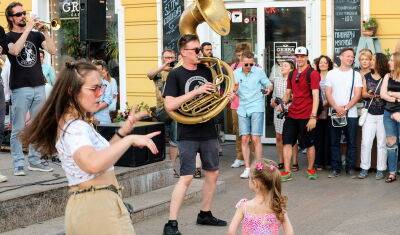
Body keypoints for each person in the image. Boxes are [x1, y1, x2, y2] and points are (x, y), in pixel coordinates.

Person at [21, 61, 160, 234]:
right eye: (94, 89)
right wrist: (129, 139)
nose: (100, 94)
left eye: (101, 87)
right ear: (71, 91)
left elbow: (101, 157)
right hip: (97, 208)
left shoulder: (76, 123)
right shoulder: (75, 127)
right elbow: (92, 164)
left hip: (97, 204)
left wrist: (123, 132)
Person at [162, 34, 234, 235]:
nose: (199, 53)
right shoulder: (175, 75)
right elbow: (169, 105)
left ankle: (205, 213)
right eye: (195, 50)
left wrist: (225, 97)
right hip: (188, 132)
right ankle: (171, 223)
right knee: (186, 177)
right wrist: (196, 92)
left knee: (213, 173)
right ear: (183, 52)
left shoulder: (206, 70)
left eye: (199, 49)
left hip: (208, 129)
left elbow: (214, 96)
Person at [6, 2, 56, 176]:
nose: (22, 16)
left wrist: (46, 32)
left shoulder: (36, 35)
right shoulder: (7, 36)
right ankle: (19, 162)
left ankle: (34, 160)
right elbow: (15, 51)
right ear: (11, 18)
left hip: (38, 85)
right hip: (20, 87)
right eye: (18, 14)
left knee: (38, 126)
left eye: (23, 13)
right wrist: (28, 28)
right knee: (18, 128)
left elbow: (53, 50)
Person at [280, 46, 320, 182]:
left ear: (307, 57)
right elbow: (288, 93)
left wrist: (313, 117)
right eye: (297, 56)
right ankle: (286, 171)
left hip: (307, 115)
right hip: (292, 114)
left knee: (309, 144)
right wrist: (281, 102)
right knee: (287, 142)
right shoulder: (292, 73)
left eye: (302, 56)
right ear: (295, 58)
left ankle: (310, 169)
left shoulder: (312, 74)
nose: (300, 58)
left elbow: (316, 96)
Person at [227, 159, 294, 235]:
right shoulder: (278, 207)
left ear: (255, 183)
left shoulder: (244, 206)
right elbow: (290, 232)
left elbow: (231, 231)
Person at [325, 48, 362, 178]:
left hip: (350, 114)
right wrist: (336, 107)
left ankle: (350, 168)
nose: (351, 59)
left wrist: (345, 108)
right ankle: (336, 168)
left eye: (352, 57)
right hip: (335, 113)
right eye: (348, 56)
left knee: (352, 142)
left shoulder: (356, 75)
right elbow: (328, 92)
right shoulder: (331, 74)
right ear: (340, 57)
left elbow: (357, 95)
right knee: (334, 142)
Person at [235, 51, 272, 179]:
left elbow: (268, 83)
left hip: (256, 106)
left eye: (251, 64)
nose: (249, 66)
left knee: (255, 138)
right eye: (246, 64)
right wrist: (232, 92)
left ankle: (258, 168)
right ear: (241, 62)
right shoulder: (235, 73)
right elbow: (232, 89)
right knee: (244, 138)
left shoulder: (258, 71)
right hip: (243, 107)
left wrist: (268, 88)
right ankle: (247, 168)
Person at [146, 49, 179, 177]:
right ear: (162, 59)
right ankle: (159, 168)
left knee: (174, 140)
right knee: (158, 139)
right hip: (161, 111)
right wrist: (163, 67)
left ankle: (171, 168)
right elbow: (149, 75)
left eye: (171, 57)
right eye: (166, 57)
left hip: (175, 110)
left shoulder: (177, 72)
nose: (169, 60)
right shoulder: (158, 73)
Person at [358, 53, 389, 179]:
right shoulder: (366, 76)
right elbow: (363, 93)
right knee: (366, 142)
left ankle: (381, 169)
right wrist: (369, 94)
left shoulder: (387, 76)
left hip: (384, 114)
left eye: (373, 60)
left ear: (379, 62)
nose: (370, 61)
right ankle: (364, 167)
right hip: (369, 113)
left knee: (382, 143)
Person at [270, 60, 299, 170]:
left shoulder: (295, 80)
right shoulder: (276, 80)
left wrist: (287, 104)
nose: (282, 67)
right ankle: (281, 161)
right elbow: (273, 96)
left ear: (291, 69)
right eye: (281, 65)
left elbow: (296, 97)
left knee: (292, 138)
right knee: (279, 137)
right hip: (278, 111)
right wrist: (272, 102)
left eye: (285, 65)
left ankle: (295, 162)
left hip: (291, 111)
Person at [230, 42, 253, 168]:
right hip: (236, 104)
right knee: (238, 131)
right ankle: (240, 157)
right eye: (238, 55)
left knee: (251, 132)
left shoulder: (253, 66)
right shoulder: (233, 67)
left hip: (249, 104)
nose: (239, 58)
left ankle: (252, 157)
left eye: (242, 55)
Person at [380, 52, 400, 183]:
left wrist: (391, 93)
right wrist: (397, 99)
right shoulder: (387, 75)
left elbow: (387, 93)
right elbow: (382, 94)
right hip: (388, 114)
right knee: (391, 143)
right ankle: (392, 172)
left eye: (392, 60)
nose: (389, 62)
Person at [313, 55, 334, 170]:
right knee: (318, 137)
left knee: (329, 136)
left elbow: (334, 91)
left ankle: (328, 161)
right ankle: (318, 162)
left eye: (325, 62)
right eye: (321, 62)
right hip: (317, 110)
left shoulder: (332, 75)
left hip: (329, 108)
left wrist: (326, 103)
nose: (323, 64)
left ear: (329, 64)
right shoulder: (315, 75)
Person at [92, 59, 113, 124]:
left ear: (102, 70)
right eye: (96, 70)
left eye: (99, 70)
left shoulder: (106, 84)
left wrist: (93, 109)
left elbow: (107, 101)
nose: (98, 72)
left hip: (103, 120)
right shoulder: (88, 84)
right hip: (90, 120)